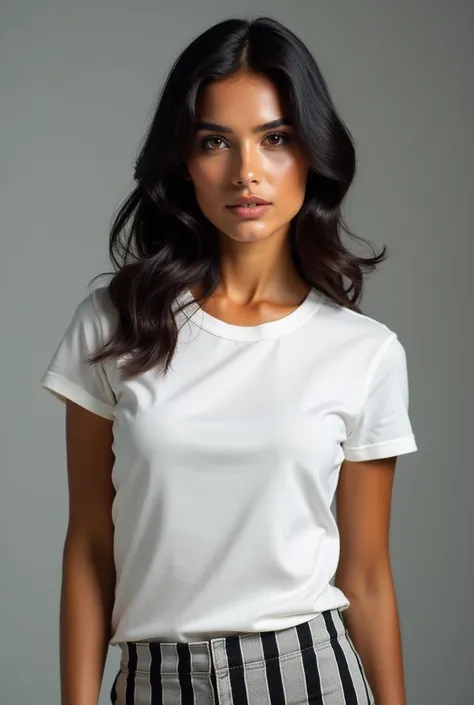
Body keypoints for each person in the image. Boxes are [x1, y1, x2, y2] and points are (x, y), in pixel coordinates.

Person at [39, 15, 418, 705]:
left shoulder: (364, 354)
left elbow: (366, 575)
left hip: (310, 676)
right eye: (216, 141)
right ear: (185, 162)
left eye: (276, 139)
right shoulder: (115, 324)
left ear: (313, 154)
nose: (246, 172)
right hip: (153, 683)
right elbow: (91, 548)